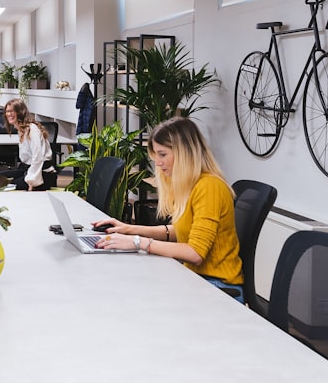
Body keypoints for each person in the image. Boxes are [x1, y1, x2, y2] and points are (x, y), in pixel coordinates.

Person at [96, 117, 244, 302]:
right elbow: (183, 229)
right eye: (156, 155)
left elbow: (195, 253)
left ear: (184, 152)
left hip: (218, 287)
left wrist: (138, 242)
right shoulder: (189, 184)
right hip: (196, 278)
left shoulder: (209, 187)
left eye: (163, 154)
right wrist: (128, 229)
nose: (157, 162)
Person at [0, 98, 56, 191]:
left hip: (42, 174)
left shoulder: (31, 130)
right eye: (7, 111)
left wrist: (31, 181)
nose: (9, 114)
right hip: (28, 169)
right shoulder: (21, 130)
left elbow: (38, 157)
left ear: (20, 112)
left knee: (6, 185)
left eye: (12, 111)